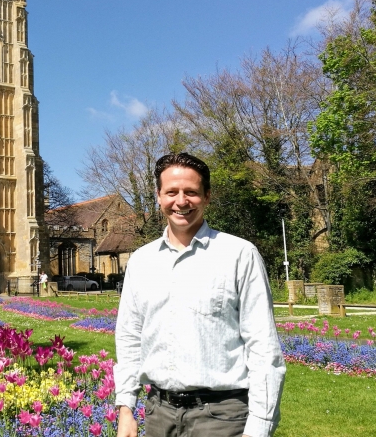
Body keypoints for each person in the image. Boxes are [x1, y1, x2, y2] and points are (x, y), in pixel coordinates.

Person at [114, 152, 285, 437]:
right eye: (172, 192)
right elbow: (129, 337)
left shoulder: (238, 254)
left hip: (221, 416)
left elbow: (263, 347)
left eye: (191, 192)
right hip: (159, 414)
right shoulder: (142, 261)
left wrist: (259, 428)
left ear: (206, 197)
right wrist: (126, 408)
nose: (181, 201)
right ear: (159, 196)